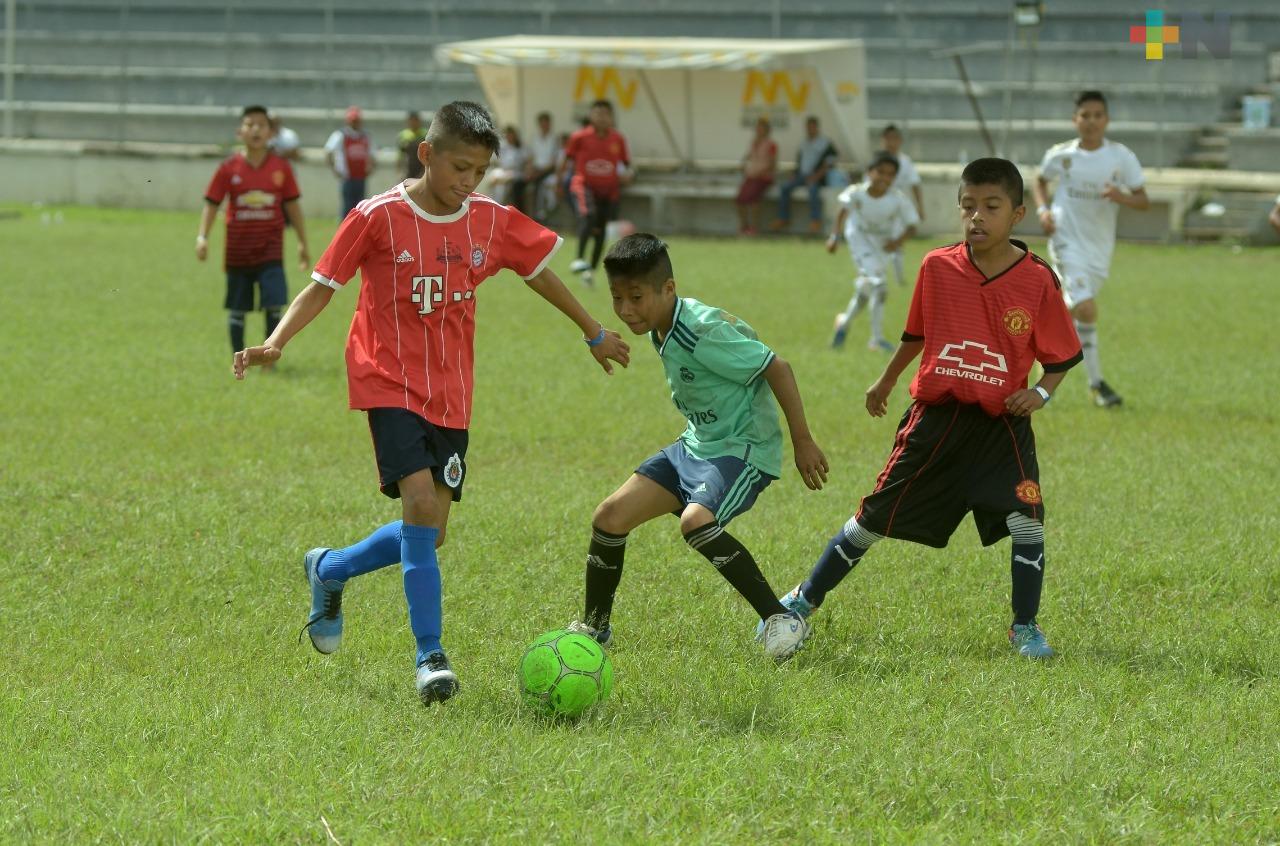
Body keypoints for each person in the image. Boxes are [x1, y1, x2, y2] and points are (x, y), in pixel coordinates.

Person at [232, 101, 630, 706]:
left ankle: (330, 569)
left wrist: (593, 330)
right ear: (427, 154)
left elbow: (540, 271)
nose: (467, 183)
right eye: (458, 168)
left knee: (431, 531)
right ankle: (430, 657)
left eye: (479, 172)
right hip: (384, 378)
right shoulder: (376, 217)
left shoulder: (489, 222)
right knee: (419, 503)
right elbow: (323, 287)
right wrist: (274, 342)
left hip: (451, 393)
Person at [763, 158, 1083, 660]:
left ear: (1018, 213)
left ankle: (1025, 627)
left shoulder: (1039, 279)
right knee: (872, 517)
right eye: (968, 206)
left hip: (1003, 428)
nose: (977, 217)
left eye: (991, 207)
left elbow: (1062, 358)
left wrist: (1041, 393)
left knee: (1027, 520)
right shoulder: (938, 265)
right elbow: (918, 332)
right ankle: (803, 599)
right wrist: (887, 378)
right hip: (936, 421)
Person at [567, 234, 829, 662]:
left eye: (636, 297)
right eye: (617, 298)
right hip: (697, 445)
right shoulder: (662, 324)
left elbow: (776, 367)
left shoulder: (700, 330)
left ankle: (782, 620)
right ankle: (596, 629)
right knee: (609, 517)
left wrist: (802, 441)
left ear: (668, 289)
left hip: (743, 448)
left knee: (695, 520)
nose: (626, 309)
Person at [1032, 90, 1149, 408]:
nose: (1091, 121)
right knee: (1086, 308)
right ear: (1075, 120)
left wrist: (1120, 196)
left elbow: (1143, 199)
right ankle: (1097, 385)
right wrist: (1044, 211)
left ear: (1106, 120)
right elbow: (1039, 181)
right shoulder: (1061, 154)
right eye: (1085, 115)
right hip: (1066, 240)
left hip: (1099, 248)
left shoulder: (1121, 156)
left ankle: (1035, 346)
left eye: (1098, 115)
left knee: (1067, 311)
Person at [196, 104, 311, 357]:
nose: (256, 129)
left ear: (271, 132)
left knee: (273, 306)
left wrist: (303, 243)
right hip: (238, 251)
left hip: (270, 252)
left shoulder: (281, 168)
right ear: (241, 131)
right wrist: (202, 236)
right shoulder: (228, 168)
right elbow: (212, 204)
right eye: (250, 124)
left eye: (261, 125)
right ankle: (238, 359)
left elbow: (293, 206)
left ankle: (268, 358)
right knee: (237, 310)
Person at [826, 150, 919, 353]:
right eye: (881, 172)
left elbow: (912, 225)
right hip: (859, 240)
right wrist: (835, 237)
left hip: (882, 246)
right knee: (880, 286)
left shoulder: (897, 199)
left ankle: (844, 322)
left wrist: (897, 242)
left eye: (890, 174)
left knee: (866, 290)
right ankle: (876, 340)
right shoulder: (856, 192)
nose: (885, 178)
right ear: (870, 172)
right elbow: (843, 210)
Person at [557, 100, 631, 287]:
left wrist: (628, 175)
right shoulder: (579, 137)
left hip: (608, 191)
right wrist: (559, 182)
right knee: (588, 215)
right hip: (584, 186)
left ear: (611, 117)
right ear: (591, 116)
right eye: (597, 113)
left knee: (600, 231)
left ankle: (590, 271)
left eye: (605, 114)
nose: (601, 117)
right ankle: (579, 258)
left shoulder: (618, 139)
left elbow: (626, 165)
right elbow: (566, 160)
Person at [771, 115, 839, 234]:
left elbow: (830, 162)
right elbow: (800, 162)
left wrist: (817, 176)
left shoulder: (825, 143)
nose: (810, 129)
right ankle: (783, 218)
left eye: (812, 127)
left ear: (817, 127)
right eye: (808, 127)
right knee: (785, 187)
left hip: (818, 177)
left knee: (813, 190)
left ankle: (815, 221)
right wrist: (794, 174)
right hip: (802, 175)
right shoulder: (804, 143)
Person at [879, 124, 924, 286]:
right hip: (878, 207)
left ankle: (898, 279)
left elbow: (915, 184)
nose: (891, 143)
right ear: (882, 140)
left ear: (900, 141)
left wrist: (920, 207)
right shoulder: (877, 160)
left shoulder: (905, 162)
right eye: (888, 139)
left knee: (897, 241)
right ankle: (876, 274)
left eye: (894, 139)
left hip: (897, 208)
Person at [325, 105, 376, 220]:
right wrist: (335, 170)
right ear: (348, 121)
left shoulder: (366, 136)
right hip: (347, 177)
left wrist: (371, 168)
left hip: (361, 177)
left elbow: (372, 154)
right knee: (347, 207)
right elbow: (328, 152)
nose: (355, 123)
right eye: (353, 121)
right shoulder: (340, 135)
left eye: (357, 121)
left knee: (361, 206)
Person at [735, 117, 778, 235]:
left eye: (761, 128)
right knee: (740, 199)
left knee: (753, 199)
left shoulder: (771, 144)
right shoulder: (753, 143)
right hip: (751, 176)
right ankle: (744, 226)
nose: (759, 130)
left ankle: (754, 227)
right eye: (757, 128)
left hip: (763, 177)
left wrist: (761, 172)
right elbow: (749, 157)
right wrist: (743, 166)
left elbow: (772, 164)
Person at [523, 111, 560, 220]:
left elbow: (554, 162)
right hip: (536, 169)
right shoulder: (534, 138)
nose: (544, 125)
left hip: (548, 170)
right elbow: (530, 157)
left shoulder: (554, 139)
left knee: (539, 183)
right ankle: (529, 214)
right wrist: (529, 169)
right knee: (522, 183)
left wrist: (539, 172)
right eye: (542, 123)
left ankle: (540, 214)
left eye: (546, 123)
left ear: (550, 124)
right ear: (539, 124)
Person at [488, 125, 528, 206]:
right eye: (508, 135)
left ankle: (497, 206)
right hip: (503, 170)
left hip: (516, 172)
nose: (510, 137)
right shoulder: (502, 146)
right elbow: (494, 160)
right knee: (496, 183)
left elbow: (528, 160)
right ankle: (493, 205)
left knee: (501, 185)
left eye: (511, 135)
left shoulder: (520, 147)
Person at [396, 111, 428, 180]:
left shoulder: (425, 134)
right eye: (411, 120)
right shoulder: (403, 135)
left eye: (415, 120)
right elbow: (400, 154)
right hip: (408, 168)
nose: (413, 123)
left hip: (421, 168)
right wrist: (399, 171)